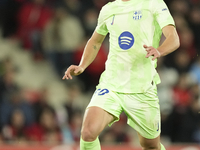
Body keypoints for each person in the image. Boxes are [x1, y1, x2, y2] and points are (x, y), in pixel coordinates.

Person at [63, 0, 180, 149]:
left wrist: (159, 51)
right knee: (88, 132)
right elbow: (96, 41)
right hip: (111, 85)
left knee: (150, 145)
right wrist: (82, 65)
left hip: (142, 89)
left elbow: (174, 38)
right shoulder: (108, 9)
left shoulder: (153, 4)